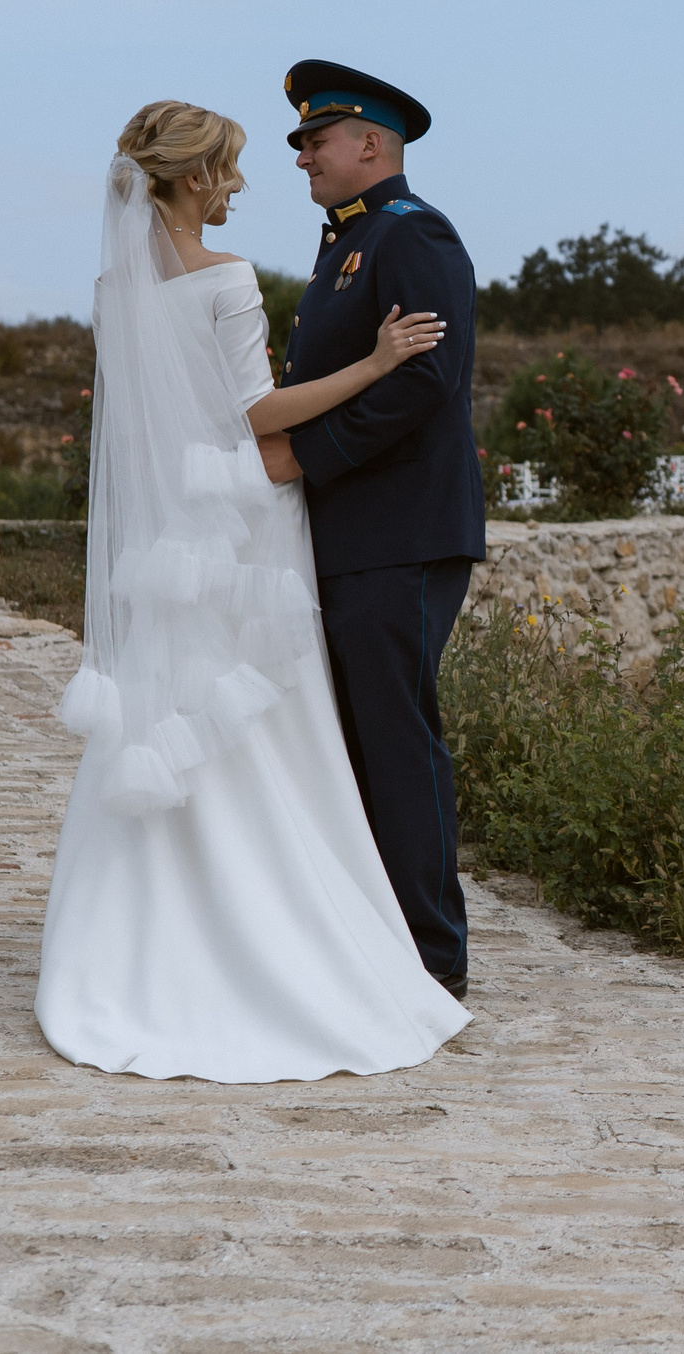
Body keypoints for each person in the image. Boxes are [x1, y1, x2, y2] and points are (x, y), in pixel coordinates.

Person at [35, 100, 468, 1082]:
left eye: (310, 143)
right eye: (229, 168)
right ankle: (304, 930)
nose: (241, 182)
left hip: (169, 533)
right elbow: (255, 411)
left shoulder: (115, 286)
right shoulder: (227, 277)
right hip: (243, 521)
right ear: (194, 178)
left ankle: (156, 932)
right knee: (274, 723)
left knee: (173, 707)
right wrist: (376, 361)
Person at [276, 61, 486, 999]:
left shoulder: (412, 233)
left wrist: (307, 457)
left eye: (316, 141)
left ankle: (433, 959)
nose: (303, 158)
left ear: (371, 143)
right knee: (357, 740)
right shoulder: (346, 245)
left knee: (396, 740)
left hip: (401, 531)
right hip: (354, 533)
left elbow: (425, 379)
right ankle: (376, 939)